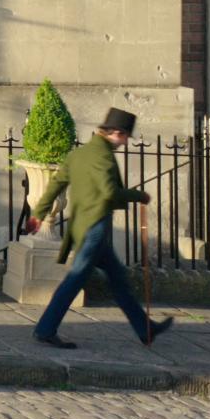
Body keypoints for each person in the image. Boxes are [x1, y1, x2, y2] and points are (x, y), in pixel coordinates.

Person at [26, 107, 175, 349]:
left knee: (119, 279)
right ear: (116, 132)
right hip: (94, 227)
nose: (126, 142)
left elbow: (56, 185)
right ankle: (45, 329)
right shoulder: (103, 157)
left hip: (85, 226)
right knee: (75, 280)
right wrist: (139, 195)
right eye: (125, 136)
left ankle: (145, 329)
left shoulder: (79, 154)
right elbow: (109, 193)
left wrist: (38, 214)